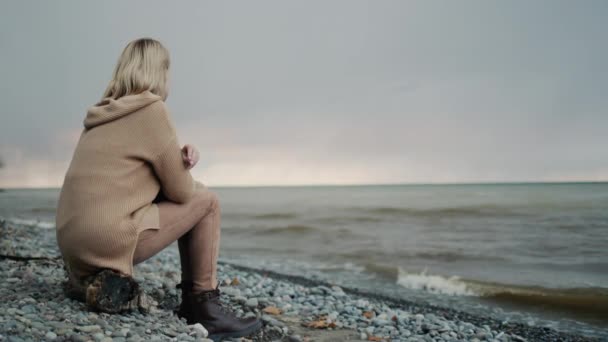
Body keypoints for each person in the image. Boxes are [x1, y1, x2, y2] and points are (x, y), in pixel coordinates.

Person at [55, 37, 262, 340]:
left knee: (198, 197)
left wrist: (178, 162)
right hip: (107, 241)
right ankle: (203, 306)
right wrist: (186, 168)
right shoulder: (152, 110)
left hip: (73, 246)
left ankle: (87, 281)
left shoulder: (102, 115)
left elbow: (129, 180)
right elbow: (181, 194)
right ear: (160, 71)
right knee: (208, 201)